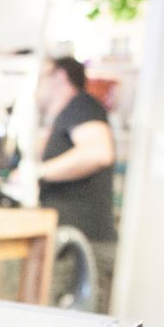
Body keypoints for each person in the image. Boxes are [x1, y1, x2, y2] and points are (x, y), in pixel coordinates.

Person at [26, 56, 118, 310]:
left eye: (42, 78)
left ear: (60, 76)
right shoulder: (70, 114)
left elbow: (99, 152)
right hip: (76, 241)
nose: (37, 87)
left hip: (83, 244)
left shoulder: (81, 106)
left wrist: (37, 172)